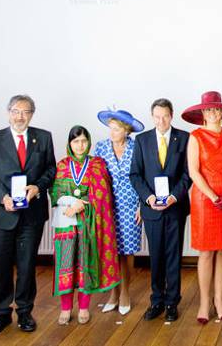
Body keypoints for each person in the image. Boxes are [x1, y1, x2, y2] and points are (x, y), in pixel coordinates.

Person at [0, 94, 56, 335]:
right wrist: (2, 198)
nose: (20, 116)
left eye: (25, 112)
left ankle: (25, 312)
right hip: (1, 213)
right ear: (8, 113)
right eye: (16, 111)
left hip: (31, 214)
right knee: (2, 266)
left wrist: (37, 187)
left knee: (27, 266)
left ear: (32, 114)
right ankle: (1, 314)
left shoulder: (43, 138)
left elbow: (51, 169)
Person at [51, 125, 121, 325]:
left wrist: (83, 204)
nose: (80, 145)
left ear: (88, 142)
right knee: (65, 264)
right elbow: (55, 193)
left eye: (83, 141)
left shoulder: (98, 164)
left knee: (85, 265)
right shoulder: (63, 164)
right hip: (66, 222)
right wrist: (71, 204)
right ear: (69, 144)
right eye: (75, 141)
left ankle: (83, 307)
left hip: (89, 225)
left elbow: (104, 195)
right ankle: (65, 308)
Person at [184, 91, 222, 324]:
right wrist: (212, 196)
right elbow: (193, 171)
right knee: (206, 251)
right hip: (204, 199)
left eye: (217, 109)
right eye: (209, 109)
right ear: (202, 113)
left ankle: (219, 300)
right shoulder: (195, 136)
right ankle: (203, 302)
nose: (213, 113)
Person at [129, 98, 191, 322]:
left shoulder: (184, 138)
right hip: (152, 208)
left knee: (173, 256)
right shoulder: (142, 140)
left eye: (165, 116)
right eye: (157, 117)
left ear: (171, 115)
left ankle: (172, 302)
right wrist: (149, 198)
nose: (161, 121)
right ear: (152, 116)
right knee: (155, 257)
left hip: (175, 208)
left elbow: (188, 174)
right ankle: (157, 300)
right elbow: (135, 174)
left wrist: (174, 197)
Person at [94, 108, 145, 316]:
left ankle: (125, 292)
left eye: (116, 129)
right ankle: (112, 294)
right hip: (107, 205)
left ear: (127, 131)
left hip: (131, 205)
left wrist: (143, 204)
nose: (112, 133)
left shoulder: (137, 147)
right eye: (111, 128)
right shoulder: (101, 147)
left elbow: (145, 176)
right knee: (110, 251)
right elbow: (96, 177)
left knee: (127, 251)